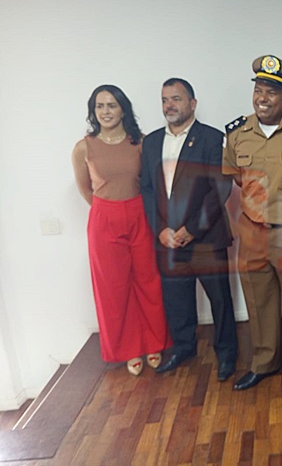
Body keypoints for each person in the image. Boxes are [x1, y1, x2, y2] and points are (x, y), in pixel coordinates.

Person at [223, 55, 282, 397]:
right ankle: (263, 362)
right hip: (252, 231)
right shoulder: (237, 134)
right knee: (258, 300)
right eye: (258, 90)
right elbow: (237, 179)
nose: (262, 98)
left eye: (272, 92)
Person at [141, 78, 238, 381]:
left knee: (220, 299)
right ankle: (183, 347)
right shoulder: (151, 142)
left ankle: (227, 353)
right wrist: (160, 229)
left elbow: (220, 188)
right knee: (176, 300)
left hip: (205, 237)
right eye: (164, 100)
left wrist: (192, 229)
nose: (169, 105)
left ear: (193, 104)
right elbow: (147, 190)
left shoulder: (212, 138)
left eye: (176, 99)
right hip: (167, 239)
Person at [71, 85, 171, 375]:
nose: (106, 111)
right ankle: (129, 349)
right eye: (100, 106)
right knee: (113, 288)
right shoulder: (83, 147)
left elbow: (151, 182)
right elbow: (85, 188)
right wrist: (108, 211)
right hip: (104, 219)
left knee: (148, 280)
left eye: (112, 105)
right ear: (93, 111)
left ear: (123, 110)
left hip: (139, 214)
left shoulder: (139, 142)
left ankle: (154, 342)